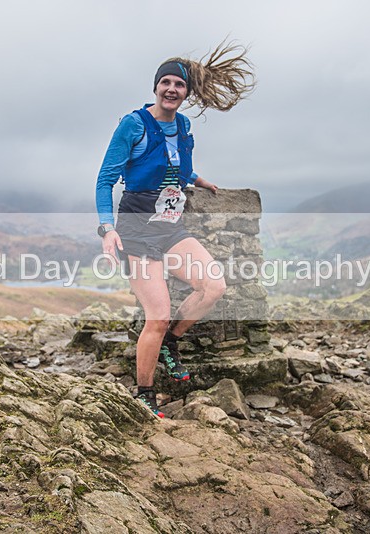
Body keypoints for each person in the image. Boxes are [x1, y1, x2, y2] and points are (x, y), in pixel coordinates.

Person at [95, 42, 255, 417]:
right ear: (155, 87)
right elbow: (105, 180)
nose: (171, 89)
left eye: (179, 84)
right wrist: (107, 229)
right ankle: (145, 393)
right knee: (158, 313)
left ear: (187, 92)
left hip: (171, 227)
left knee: (213, 285)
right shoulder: (134, 124)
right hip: (136, 231)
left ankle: (170, 342)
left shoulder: (183, 126)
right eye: (165, 82)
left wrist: (198, 180)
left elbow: (177, 166)